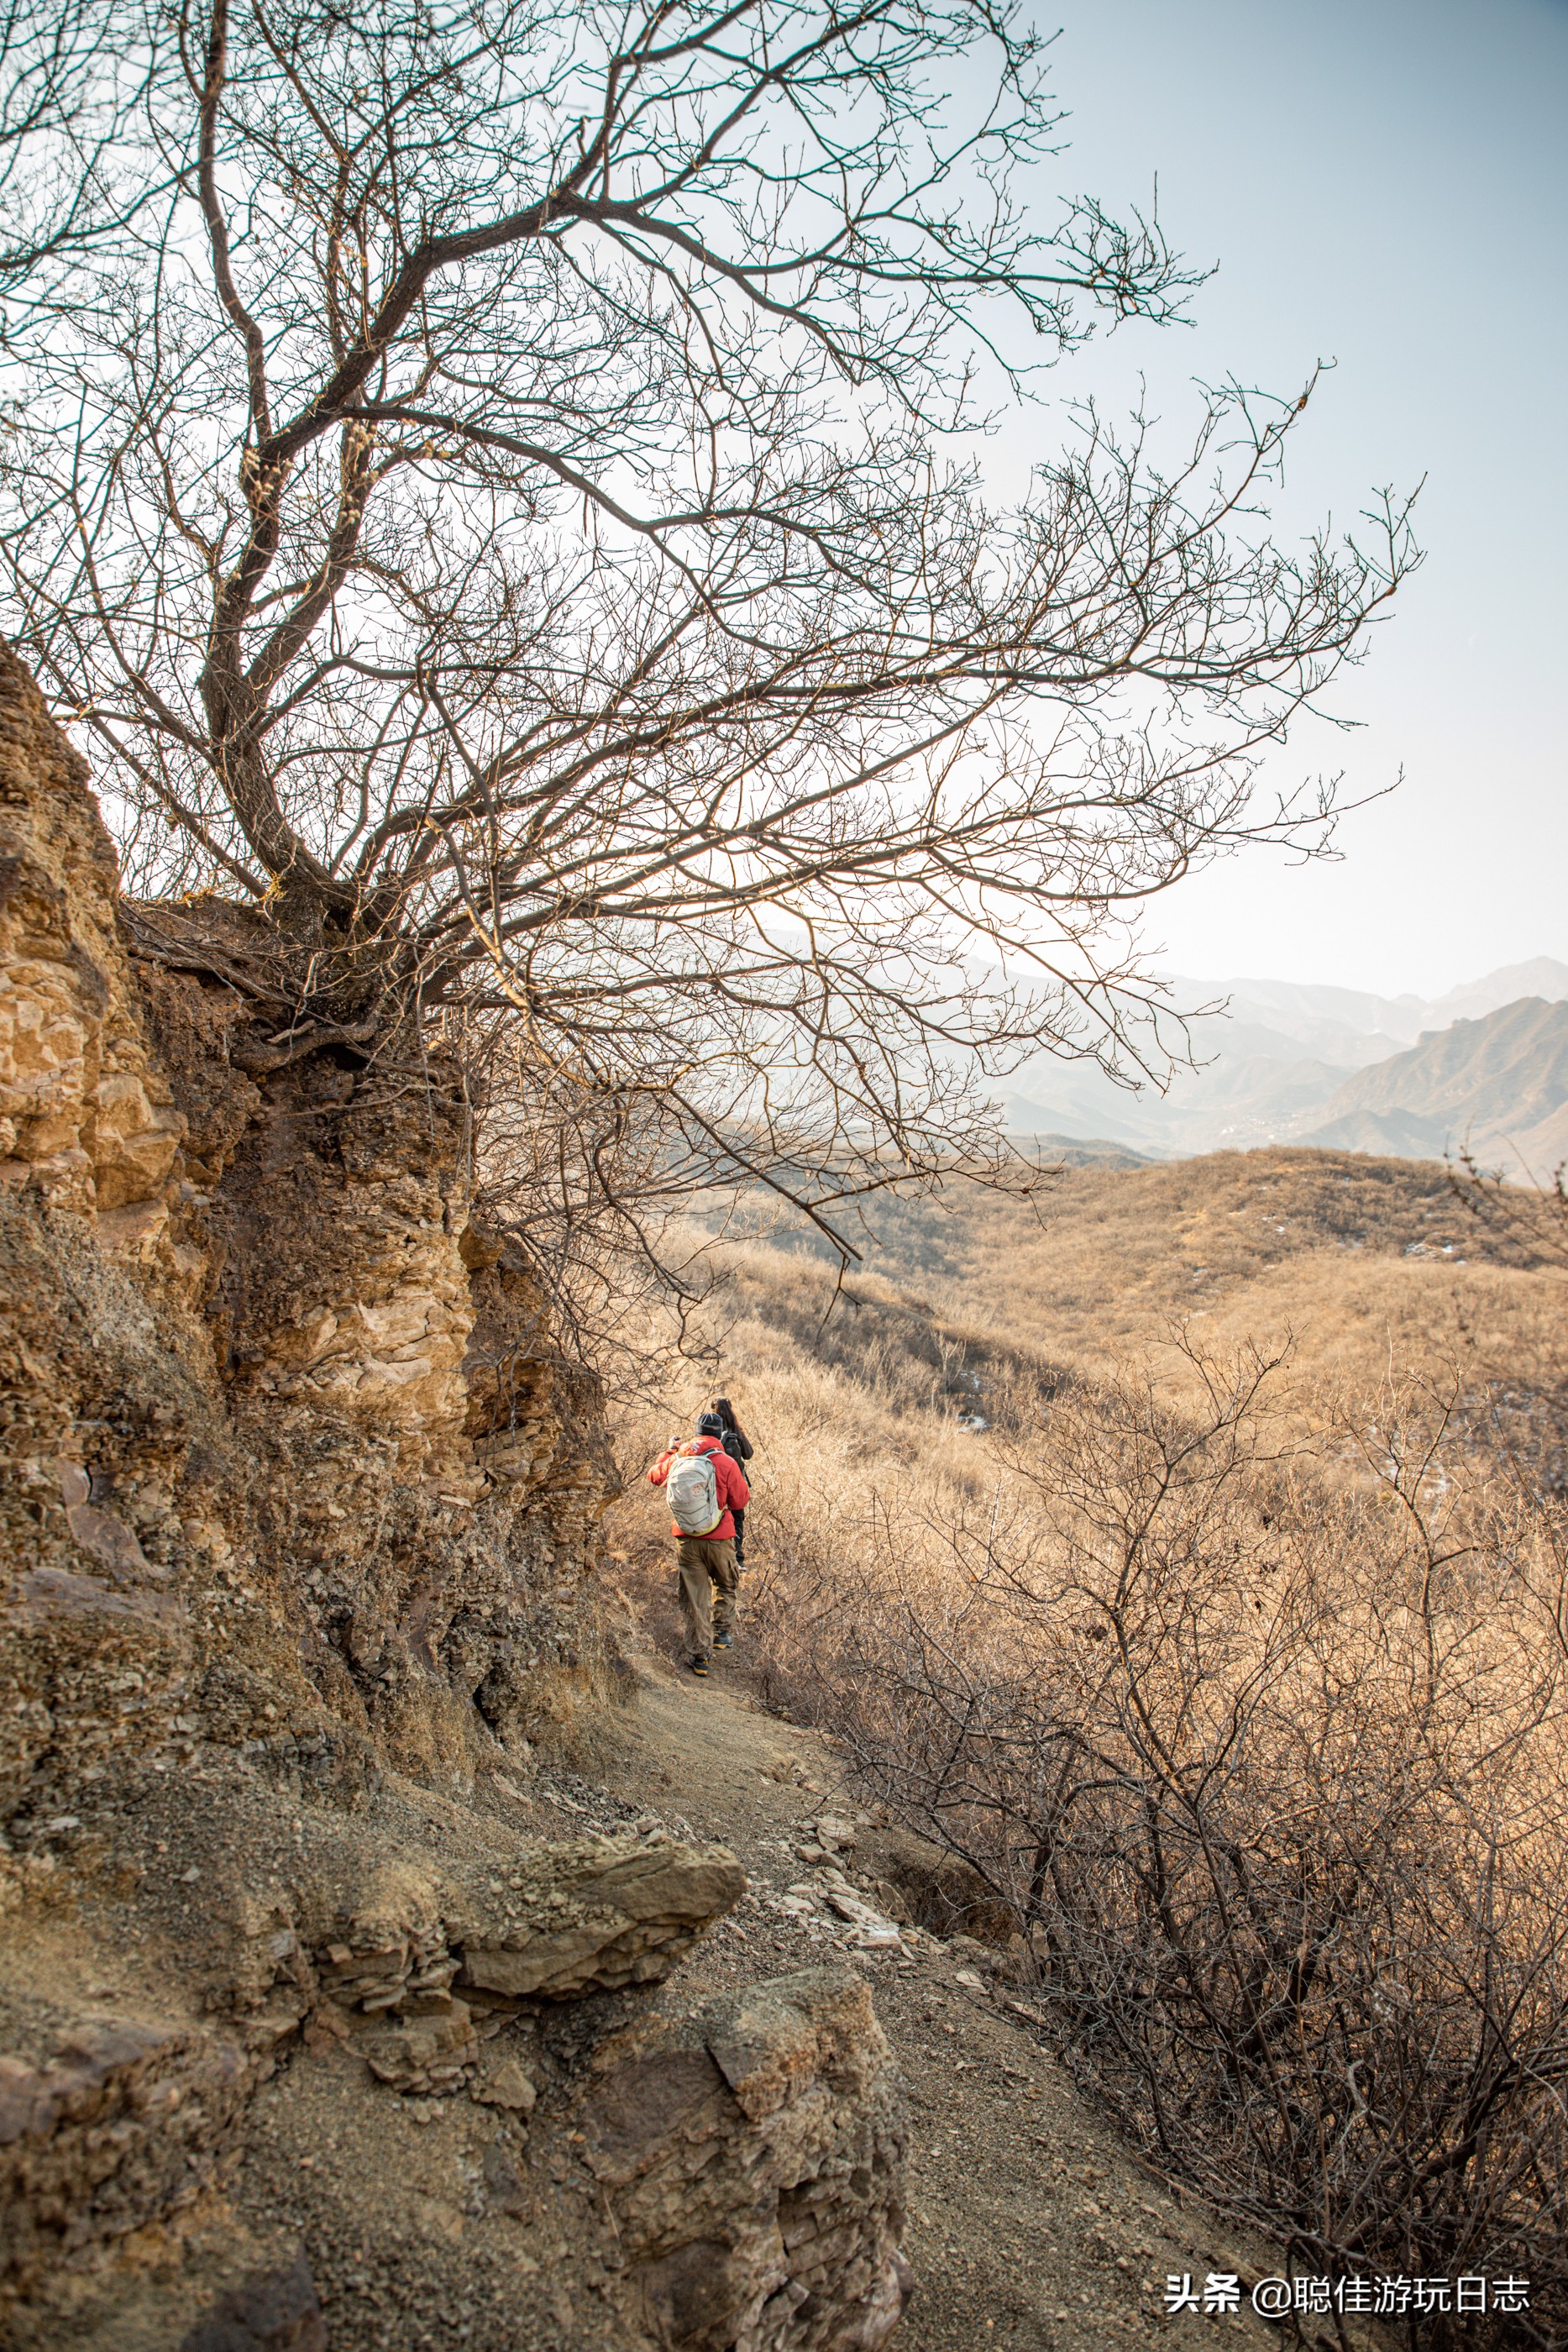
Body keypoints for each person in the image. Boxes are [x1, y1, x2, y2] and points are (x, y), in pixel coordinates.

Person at [647, 1411, 750, 1677]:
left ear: (697, 1432)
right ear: (718, 1436)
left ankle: (700, 1656)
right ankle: (722, 1632)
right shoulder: (725, 1462)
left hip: (685, 1538)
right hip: (719, 1536)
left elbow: (654, 1476)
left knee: (694, 1597)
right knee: (727, 1582)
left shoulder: (680, 1457)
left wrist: (669, 1451)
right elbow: (740, 1501)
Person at [711, 1395, 753, 1567]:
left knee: (715, 1516)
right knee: (737, 1518)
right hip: (735, 1481)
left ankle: (716, 1555)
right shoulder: (736, 1431)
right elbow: (748, 1454)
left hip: (715, 1481)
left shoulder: (710, 1430)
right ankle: (737, 1558)